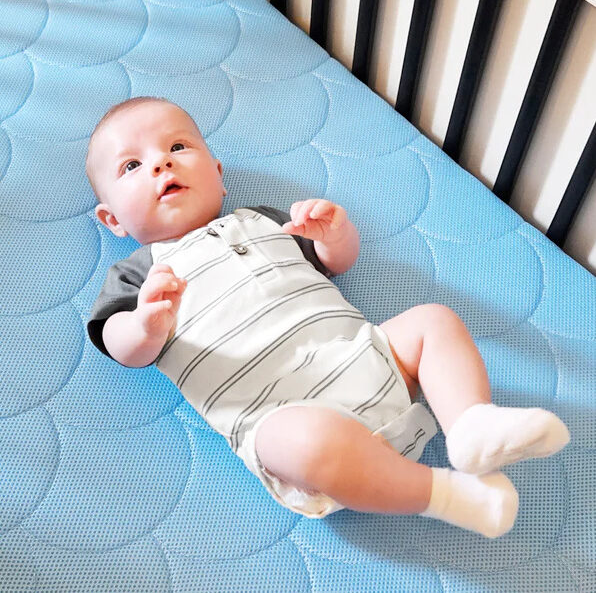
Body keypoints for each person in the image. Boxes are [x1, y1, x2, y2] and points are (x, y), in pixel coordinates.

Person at [85, 96, 570, 537]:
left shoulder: (263, 220)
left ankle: (469, 426)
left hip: (371, 359)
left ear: (217, 171)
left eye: (177, 145)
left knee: (433, 320)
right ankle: (445, 495)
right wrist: (145, 325)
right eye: (132, 165)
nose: (161, 162)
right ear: (112, 220)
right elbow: (120, 347)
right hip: (284, 416)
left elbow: (334, 264)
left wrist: (334, 236)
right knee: (305, 442)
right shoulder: (138, 276)